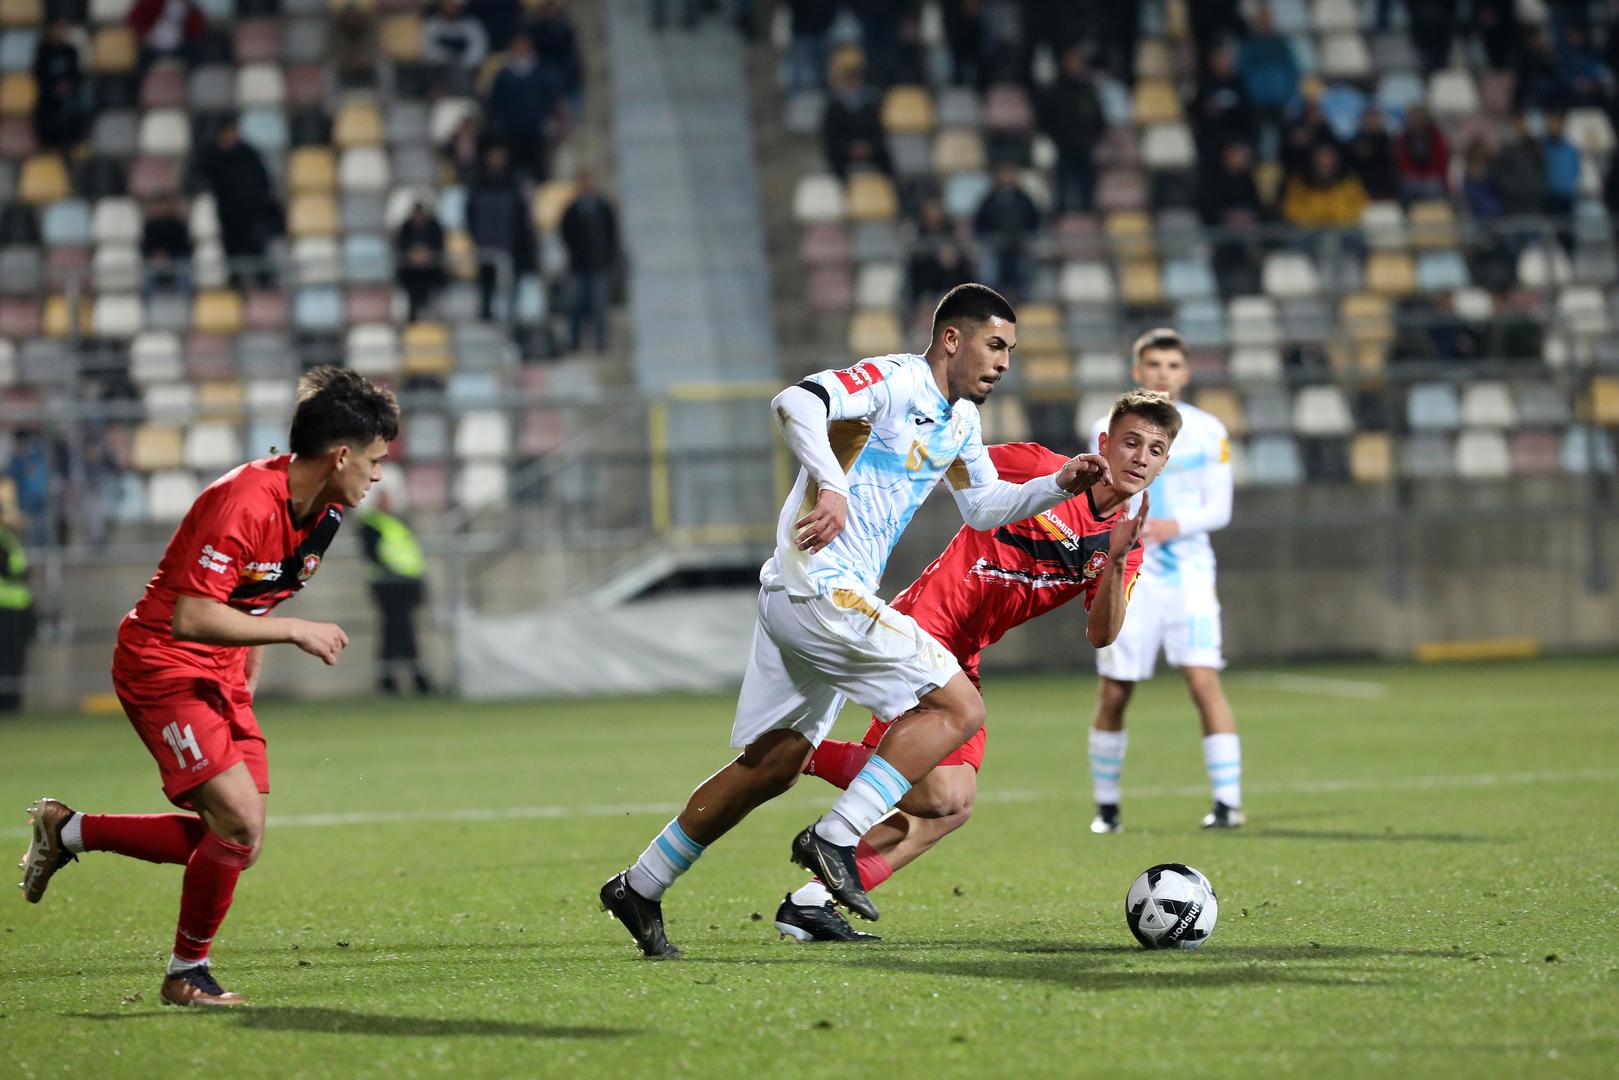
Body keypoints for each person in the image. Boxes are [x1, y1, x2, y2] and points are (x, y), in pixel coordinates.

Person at [597, 283, 1113, 957]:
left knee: (774, 763)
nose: (1003, 362)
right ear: (950, 339)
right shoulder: (895, 380)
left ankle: (641, 884)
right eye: (994, 345)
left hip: (807, 595)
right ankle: (836, 836)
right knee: (958, 707)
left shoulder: (958, 421)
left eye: (1010, 351)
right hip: (820, 585)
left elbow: (981, 506)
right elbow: (796, 402)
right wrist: (832, 485)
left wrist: (1056, 486)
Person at [17, 368, 399, 1007]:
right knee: (240, 821)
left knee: (239, 842)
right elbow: (190, 615)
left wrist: (251, 648)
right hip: (163, 662)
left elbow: (256, 592)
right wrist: (290, 633)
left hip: (221, 665)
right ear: (341, 455)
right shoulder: (244, 500)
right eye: (375, 458)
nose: (378, 473)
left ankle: (69, 831)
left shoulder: (326, 511)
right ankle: (186, 973)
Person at [772, 391, 1179, 942]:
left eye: (1156, 450)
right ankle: (795, 754)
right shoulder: (1040, 467)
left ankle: (811, 902)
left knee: (949, 807)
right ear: (1103, 443)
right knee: (938, 794)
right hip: (919, 631)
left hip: (962, 656)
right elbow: (949, 458)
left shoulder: (1125, 545)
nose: (1141, 457)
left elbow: (1102, 635)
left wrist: (1111, 562)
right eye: (1131, 442)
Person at [1086, 329, 1243, 833]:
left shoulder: (1209, 430)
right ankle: (1107, 809)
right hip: (1129, 575)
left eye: (1173, 365)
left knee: (1203, 681)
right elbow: (1096, 500)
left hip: (1189, 575)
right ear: (1138, 372)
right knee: (1115, 690)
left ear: (1186, 372)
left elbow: (1220, 508)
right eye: (1153, 365)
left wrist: (1173, 526)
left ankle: (1227, 803)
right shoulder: (1104, 429)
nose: (1163, 374)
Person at [358, 490, 433, 695]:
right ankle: (417, 680)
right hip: (388, 585)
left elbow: (410, 554)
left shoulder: (397, 521)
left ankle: (389, 680)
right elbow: (374, 555)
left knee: (394, 631)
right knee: (401, 630)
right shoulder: (372, 524)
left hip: (406, 583)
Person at [198, 118, 282, 290]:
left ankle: (266, 290)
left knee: (259, 254)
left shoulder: (249, 154)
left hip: (253, 216)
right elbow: (205, 182)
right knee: (232, 256)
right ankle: (235, 290)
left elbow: (263, 183)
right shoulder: (213, 156)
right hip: (228, 216)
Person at [558, 169, 620, 353]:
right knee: (574, 305)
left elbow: (612, 235)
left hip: (599, 265)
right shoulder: (572, 209)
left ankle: (600, 343)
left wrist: (608, 257)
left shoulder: (603, 208)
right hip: (578, 265)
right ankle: (575, 342)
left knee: (599, 306)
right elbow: (565, 234)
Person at [0, 481, 35, 714]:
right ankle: (7, 703)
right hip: (6, 608)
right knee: (7, 659)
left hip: (17, 606)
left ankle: (11, 702)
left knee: (13, 658)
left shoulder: (9, 538)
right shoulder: (4, 538)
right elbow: (7, 569)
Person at [395, 200, 446, 322]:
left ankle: (430, 315)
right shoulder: (406, 227)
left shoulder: (434, 226)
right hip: (410, 273)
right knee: (410, 283)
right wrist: (413, 255)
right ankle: (412, 316)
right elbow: (402, 248)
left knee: (434, 285)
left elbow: (439, 247)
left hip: (432, 271)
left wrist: (428, 255)